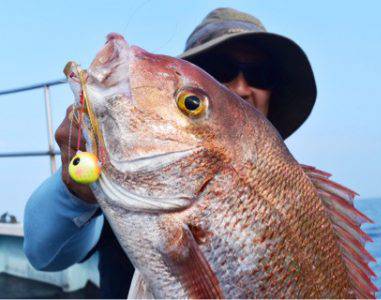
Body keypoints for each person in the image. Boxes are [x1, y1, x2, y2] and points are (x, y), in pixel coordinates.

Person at [23, 7, 316, 298]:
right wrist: (75, 195)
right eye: (219, 70)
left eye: (260, 74)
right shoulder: (120, 175)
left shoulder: (307, 208)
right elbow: (44, 255)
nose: (240, 86)